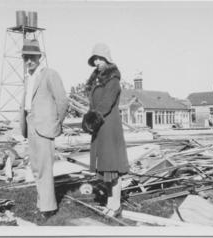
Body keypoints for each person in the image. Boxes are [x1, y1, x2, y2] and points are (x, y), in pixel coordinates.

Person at [19, 39, 69, 220]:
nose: (29, 61)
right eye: (26, 58)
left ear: (39, 57)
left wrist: (56, 124)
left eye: (32, 57)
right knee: (36, 168)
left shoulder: (50, 74)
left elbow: (63, 101)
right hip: (31, 126)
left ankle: (48, 209)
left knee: (45, 169)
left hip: (45, 128)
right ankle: (42, 204)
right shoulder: (28, 78)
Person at [83, 43, 129, 217]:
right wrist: (92, 121)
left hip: (109, 128)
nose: (96, 62)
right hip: (100, 128)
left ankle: (116, 205)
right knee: (105, 168)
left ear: (107, 59)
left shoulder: (113, 81)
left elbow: (106, 105)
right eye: (94, 59)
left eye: (99, 58)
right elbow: (95, 105)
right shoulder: (97, 80)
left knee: (112, 169)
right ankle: (110, 202)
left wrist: (89, 120)